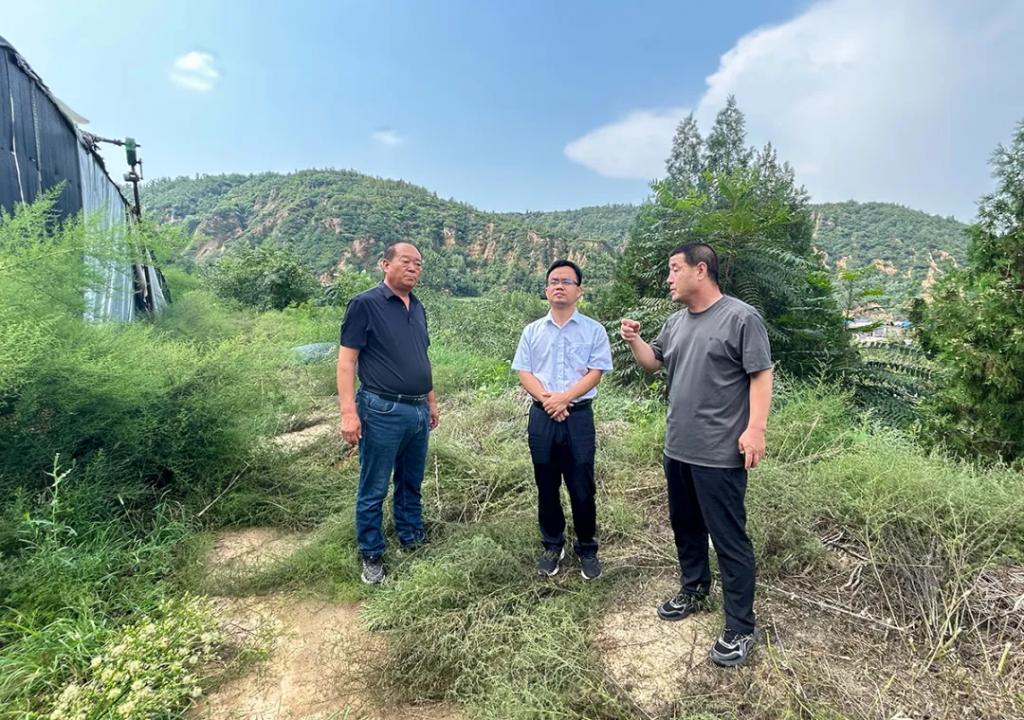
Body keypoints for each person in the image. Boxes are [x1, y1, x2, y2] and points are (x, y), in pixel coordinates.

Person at [620, 243, 772, 667]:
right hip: (678, 448)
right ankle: (694, 589)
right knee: (685, 526)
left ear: (700, 270)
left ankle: (740, 627)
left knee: (728, 538)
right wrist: (634, 341)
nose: (668, 278)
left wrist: (755, 429)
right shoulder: (675, 322)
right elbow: (653, 363)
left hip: (720, 452)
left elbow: (761, 374)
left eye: (674, 269)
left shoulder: (741, 318)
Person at [337, 242, 439, 585]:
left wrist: (431, 401)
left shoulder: (418, 307)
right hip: (381, 409)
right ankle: (372, 553)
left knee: (411, 482)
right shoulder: (365, 304)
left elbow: (421, 358)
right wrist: (348, 413)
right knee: (374, 486)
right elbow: (347, 362)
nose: (413, 268)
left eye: (418, 264)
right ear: (385, 264)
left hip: (417, 410)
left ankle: (411, 538)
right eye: (406, 261)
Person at [512, 259, 613, 580]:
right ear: (546, 290)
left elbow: (595, 372)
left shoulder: (594, 330)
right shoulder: (532, 331)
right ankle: (552, 544)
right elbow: (524, 372)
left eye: (567, 281)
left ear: (578, 291)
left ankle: (587, 547)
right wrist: (549, 401)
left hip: (578, 417)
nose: (559, 286)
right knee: (546, 484)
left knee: (582, 486)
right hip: (542, 417)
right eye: (554, 281)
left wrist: (564, 398)